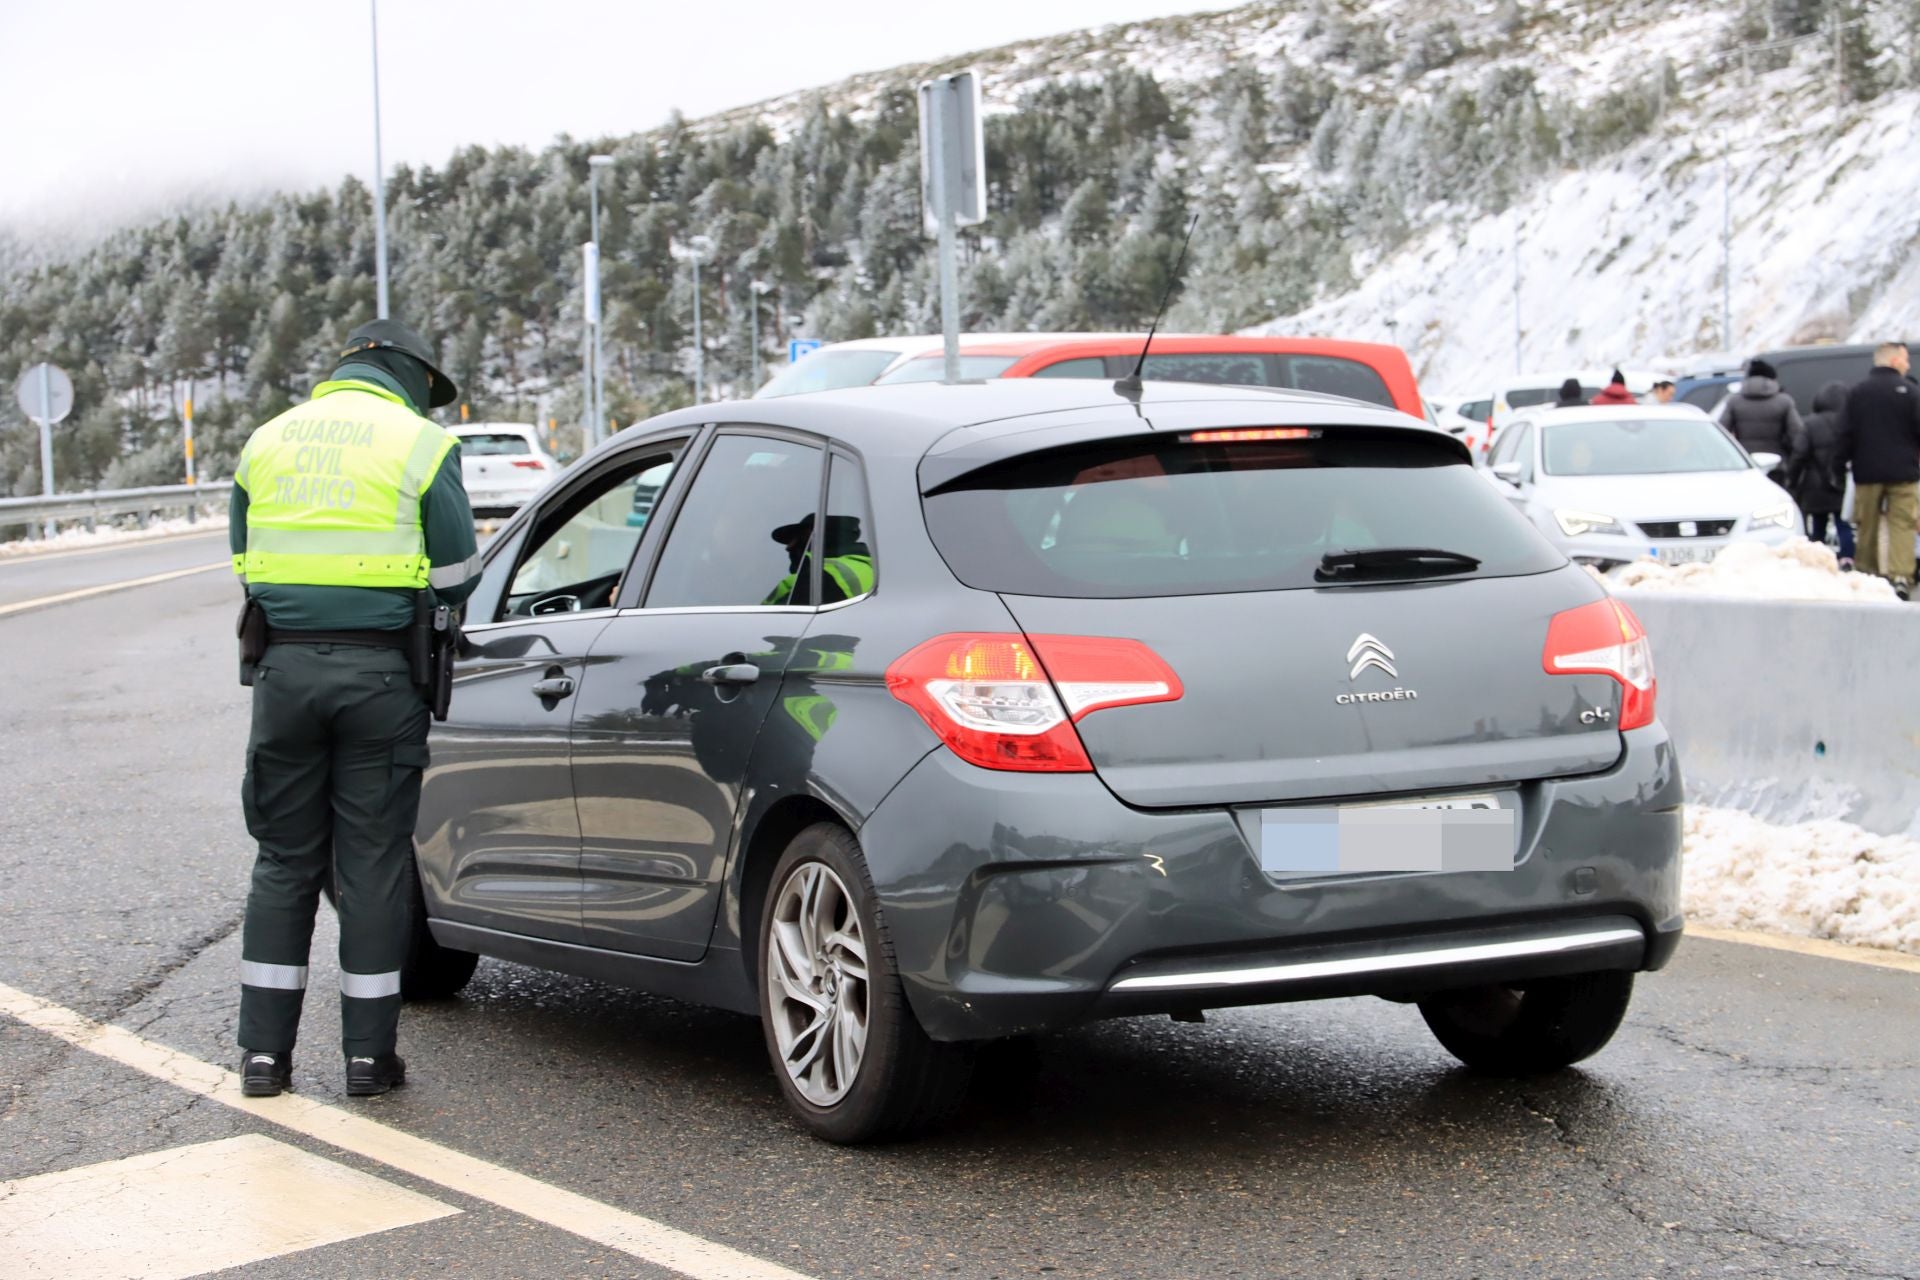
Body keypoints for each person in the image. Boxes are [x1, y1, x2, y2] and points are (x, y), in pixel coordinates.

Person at [230, 319, 480, 1098]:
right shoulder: (420, 445)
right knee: (371, 864)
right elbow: (460, 572)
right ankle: (368, 1060)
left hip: (284, 675)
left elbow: (247, 562)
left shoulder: (266, 442)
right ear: (408, 376)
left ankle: (264, 1059)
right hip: (380, 677)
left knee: (282, 860)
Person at [1837, 341, 1920, 596]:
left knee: (1867, 525)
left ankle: (1867, 573)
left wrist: (1838, 465)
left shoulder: (1857, 393)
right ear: (1895, 361)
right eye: (1905, 360)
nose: (1908, 365)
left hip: (1867, 472)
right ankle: (1901, 576)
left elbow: (1845, 434)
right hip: (1905, 473)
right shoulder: (1911, 392)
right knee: (1903, 525)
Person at [1792, 381, 1852, 561]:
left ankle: (1818, 559)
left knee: (1818, 525)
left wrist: (1792, 481)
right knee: (1844, 525)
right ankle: (1848, 558)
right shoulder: (1849, 422)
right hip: (1841, 481)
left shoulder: (1810, 423)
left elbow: (1799, 453)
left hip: (1815, 484)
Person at [1719, 358, 1804, 483]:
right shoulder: (1784, 401)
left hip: (1744, 462)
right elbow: (1797, 435)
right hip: (1776, 464)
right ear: (1772, 379)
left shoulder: (1734, 401)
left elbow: (1722, 433)